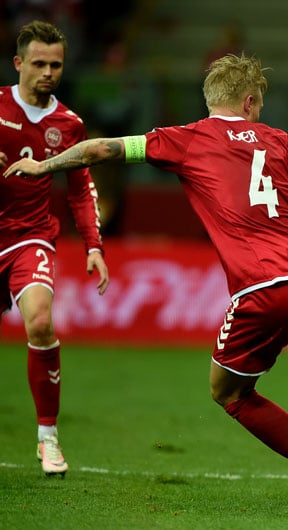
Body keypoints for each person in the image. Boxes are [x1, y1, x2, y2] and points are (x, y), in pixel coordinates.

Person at [4, 52, 288, 508]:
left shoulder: (185, 139)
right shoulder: (281, 141)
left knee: (228, 392)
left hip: (261, 287)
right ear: (251, 101)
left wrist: (44, 166)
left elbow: (102, 149)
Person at [0, 20, 109, 477]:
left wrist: (93, 245)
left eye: (56, 64)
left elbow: (81, 190)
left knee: (41, 321)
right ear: (18, 63)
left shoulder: (69, 124)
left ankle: (48, 438)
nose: (48, 72)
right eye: (39, 63)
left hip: (30, 237)